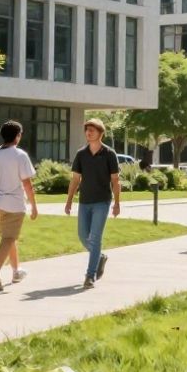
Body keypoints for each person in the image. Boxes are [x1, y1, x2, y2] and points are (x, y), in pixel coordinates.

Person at [65, 118, 121, 288]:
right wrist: (69, 201)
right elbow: (75, 180)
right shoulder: (81, 154)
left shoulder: (109, 154)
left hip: (102, 202)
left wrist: (117, 203)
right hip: (84, 201)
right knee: (83, 236)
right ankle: (100, 257)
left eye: (92, 130)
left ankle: (90, 276)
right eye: (87, 130)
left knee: (95, 238)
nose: (88, 133)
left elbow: (115, 180)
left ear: (100, 133)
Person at [0, 120, 39, 292]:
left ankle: (16, 271)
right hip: (14, 206)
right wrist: (34, 206)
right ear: (18, 136)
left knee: (9, 237)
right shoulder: (20, 155)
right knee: (9, 238)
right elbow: (27, 184)